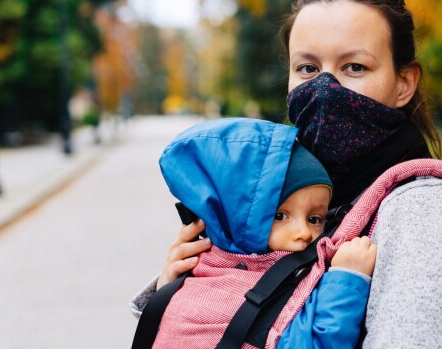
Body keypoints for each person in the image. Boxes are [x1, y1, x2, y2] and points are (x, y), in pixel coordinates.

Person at [132, 0, 442, 347]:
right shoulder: (290, 184)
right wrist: (186, 286)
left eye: (354, 67)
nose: (324, 88)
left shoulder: (425, 212)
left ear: (404, 83)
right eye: (307, 68)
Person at [150, 117, 377, 348]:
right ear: (235, 218)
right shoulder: (211, 293)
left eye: (314, 219)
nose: (304, 233)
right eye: (280, 216)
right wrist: (347, 279)